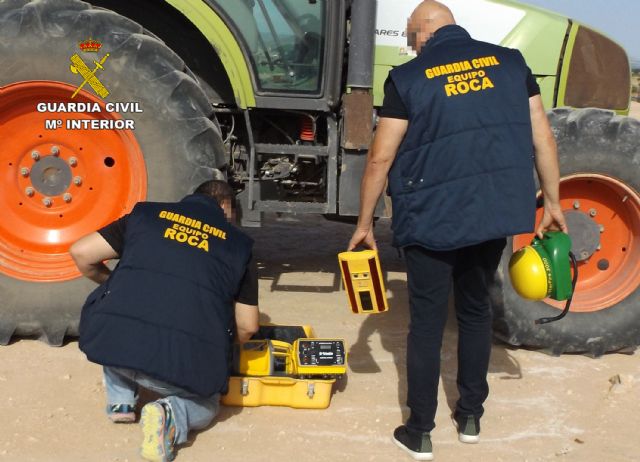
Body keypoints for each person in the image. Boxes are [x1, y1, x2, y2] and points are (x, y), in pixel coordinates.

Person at [348, 1, 567, 460]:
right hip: (491, 215)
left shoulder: (408, 79)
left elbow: (380, 158)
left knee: (426, 324)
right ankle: (470, 416)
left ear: (424, 33)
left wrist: (365, 223)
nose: (410, 46)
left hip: (431, 218)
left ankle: (420, 430)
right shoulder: (510, 64)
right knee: (475, 311)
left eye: (410, 38)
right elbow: (541, 134)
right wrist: (553, 202)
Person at [70, 180, 259, 462]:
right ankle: (169, 414)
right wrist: (219, 343)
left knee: (117, 309)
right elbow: (248, 326)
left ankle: (121, 402)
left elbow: (82, 253)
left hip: (114, 350)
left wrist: (117, 285)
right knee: (208, 405)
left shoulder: (145, 214)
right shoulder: (238, 245)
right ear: (226, 207)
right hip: (181, 366)